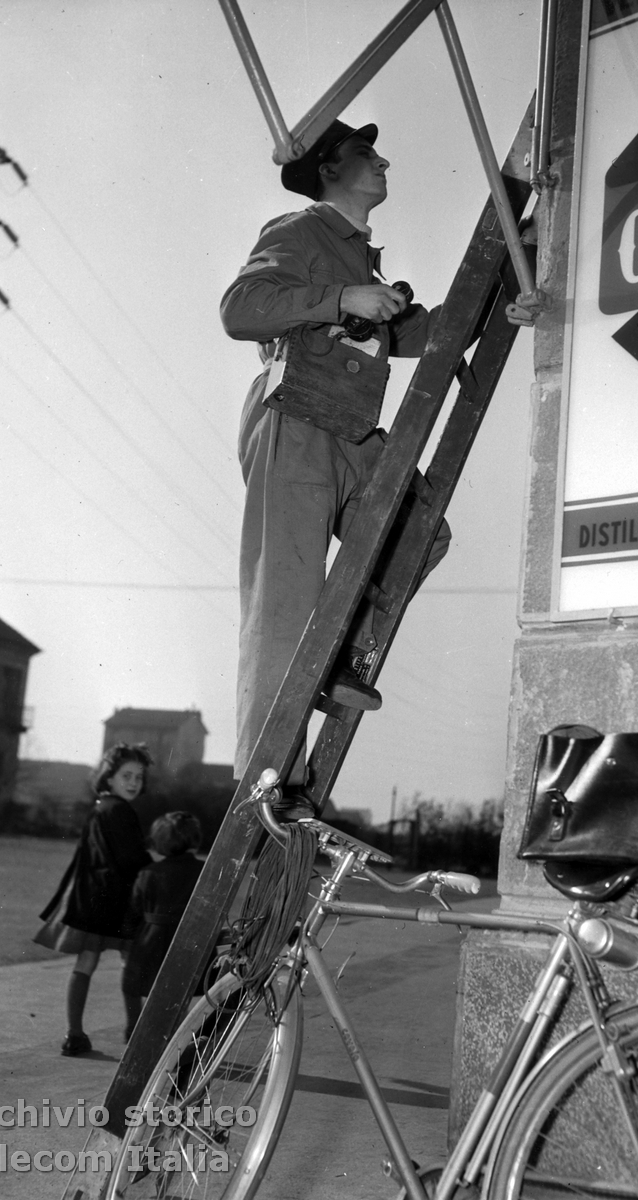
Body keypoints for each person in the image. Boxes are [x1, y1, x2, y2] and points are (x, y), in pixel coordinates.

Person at [221, 119, 451, 816]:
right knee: (284, 599)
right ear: (328, 168)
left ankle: (341, 651)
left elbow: (415, 333)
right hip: (293, 418)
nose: (383, 160)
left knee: (420, 531)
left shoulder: (366, 262)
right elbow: (241, 309)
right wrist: (343, 300)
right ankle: (265, 783)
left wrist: (506, 297)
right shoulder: (299, 229)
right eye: (364, 153)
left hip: (349, 430)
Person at [34, 743, 152, 1056]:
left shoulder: (100, 807)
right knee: (131, 964)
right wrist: (154, 869)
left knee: (86, 962)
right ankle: (135, 1027)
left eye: (138, 777)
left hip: (92, 898)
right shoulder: (120, 811)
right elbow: (131, 859)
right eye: (126, 775)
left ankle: (74, 1033)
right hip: (118, 899)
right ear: (109, 777)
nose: (133, 782)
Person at [120, 811, 204, 1038]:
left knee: (133, 984)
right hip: (188, 938)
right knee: (178, 989)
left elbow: (134, 910)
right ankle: (181, 1034)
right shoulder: (204, 871)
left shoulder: (149, 873)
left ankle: (133, 1027)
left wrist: (126, 942)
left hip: (150, 938)